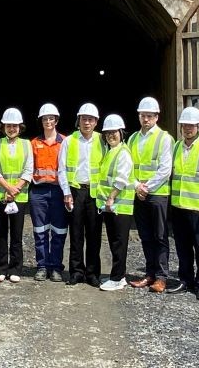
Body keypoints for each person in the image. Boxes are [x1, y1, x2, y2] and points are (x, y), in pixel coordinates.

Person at [168, 107, 199, 300]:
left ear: (198, 126)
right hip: (179, 205)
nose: (188, 128)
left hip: (198, 207)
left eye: (192, 125)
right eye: (185, 125)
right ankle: (185, 279)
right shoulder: (176, 147)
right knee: (182, 246)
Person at [127, 96, 174, 293]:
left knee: (160, 236)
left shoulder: (164, 138)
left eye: (149, 116)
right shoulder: (133, 138)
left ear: (156, 117)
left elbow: (165, 169)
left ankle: (162, 277)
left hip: (157, 195)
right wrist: (137, 186)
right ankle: (150, 274)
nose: (146, 119)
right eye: (143, 115)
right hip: (140, 194)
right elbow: (128, 167)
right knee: (145, 236)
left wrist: (146, 187)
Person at [60, 103, 105, 287]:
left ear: (96, 122)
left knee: (94, 234)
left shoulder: (103, 140)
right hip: (76, 191)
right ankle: (76, 272)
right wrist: (66, 192)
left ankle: (92, 273)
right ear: (78, 120)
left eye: (91, 119)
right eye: (84, 119)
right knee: (76, 233)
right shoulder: (69, 141)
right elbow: (61, 169)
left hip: (95, 192)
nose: (87, 122)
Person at [0, 108, 33, 283]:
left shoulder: (26, 144)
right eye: (8, 125)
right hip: (0, 195)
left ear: (20, 127)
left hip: (18, 197)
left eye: (15, 125)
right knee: (0, 233)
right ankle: (0, 267)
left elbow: (29, 169)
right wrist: (8, 188)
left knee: (16, 233)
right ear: (3, 126)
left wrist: (16, 189)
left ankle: (15, 268)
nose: (12, 128)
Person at [95, 115, 134, 292]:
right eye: (108, 133)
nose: (111, 135)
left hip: (119, 206)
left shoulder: (123, 153)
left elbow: (121, 179)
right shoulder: (110, 152)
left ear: (121, 133)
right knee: (113, 242)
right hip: (110, 207)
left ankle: (117, 278)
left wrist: (111, 198)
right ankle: (118, 276)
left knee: (119, 243)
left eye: (114, 132)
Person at [29, 103, 67, 282]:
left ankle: (56, 267)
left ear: (56, 120)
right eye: (45, 119)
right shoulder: (34, 143)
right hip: (39, 191)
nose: (48, 121)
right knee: (40, 230)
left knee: (59, 231)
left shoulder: (65, 142)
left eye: (51, 118)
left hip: (59, 191)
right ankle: (42, 266)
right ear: (41, 121)